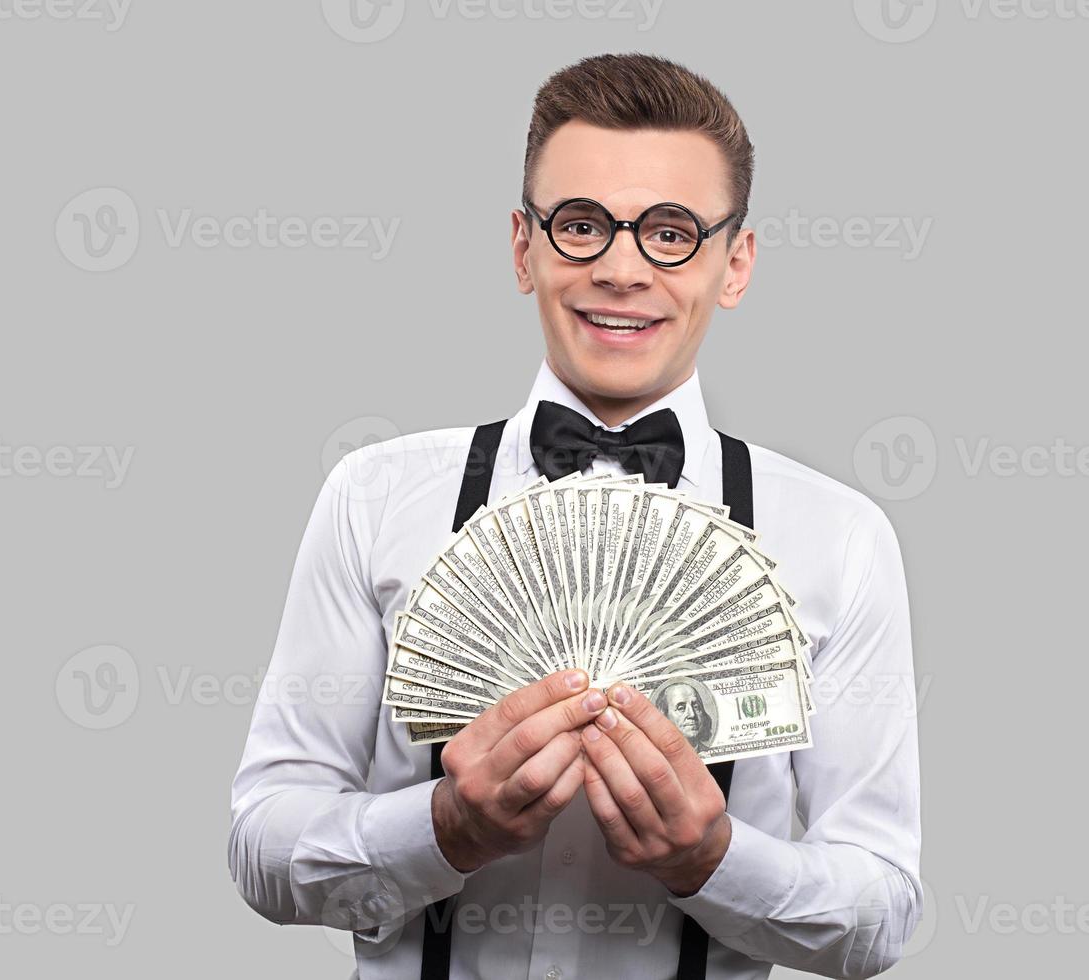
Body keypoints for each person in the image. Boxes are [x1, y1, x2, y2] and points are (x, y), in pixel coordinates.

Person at [229, 52, 922, 980]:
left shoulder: (840, 538)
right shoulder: (373, 497)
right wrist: (440, 827)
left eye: (671, 232)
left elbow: (877, 916)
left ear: (735, 261)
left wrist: (711, 861)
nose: (622, 269)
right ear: (524, 247)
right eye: (582, 225)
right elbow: (262, 847)